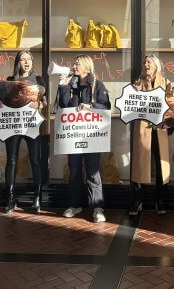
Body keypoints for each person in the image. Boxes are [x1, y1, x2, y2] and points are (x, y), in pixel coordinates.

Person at [57, 54, 110, 223]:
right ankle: (75, 205)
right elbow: (64, 107)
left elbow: (106, 106)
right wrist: (63, 87)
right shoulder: (70, 84)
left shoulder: (97, 84)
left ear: (87, 67)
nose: (74, 66)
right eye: (74, 63)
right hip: (74, 137)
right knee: (74, 171)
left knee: (92, 171)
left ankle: (97, 207)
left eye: (77, 63)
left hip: (92, 137)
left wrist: (91, 106)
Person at [0, 51, 47, 214]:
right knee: (11, 160)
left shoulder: (38, 79)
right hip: (13, 125)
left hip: (31, 125)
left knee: (35, 159)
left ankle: (37, 197)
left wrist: (40, 105)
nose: (26, 62)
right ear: (17, 62)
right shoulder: (10, 81)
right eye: (23, 59)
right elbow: (3, 101)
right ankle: (10, 198)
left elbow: (44, 101)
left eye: (29, 59)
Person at [129, 54, 173, 216]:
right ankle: (138, 200)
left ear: (156, 65)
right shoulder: (137, 83)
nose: (145, 65)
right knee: (140, 163)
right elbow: (131, 104)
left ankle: (160, 199)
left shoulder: (166, 83)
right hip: (143, 129)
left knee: (161, 164)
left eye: (148, 62)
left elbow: (171, 105)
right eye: (144, 62)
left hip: (160, 130)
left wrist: (166, 121)